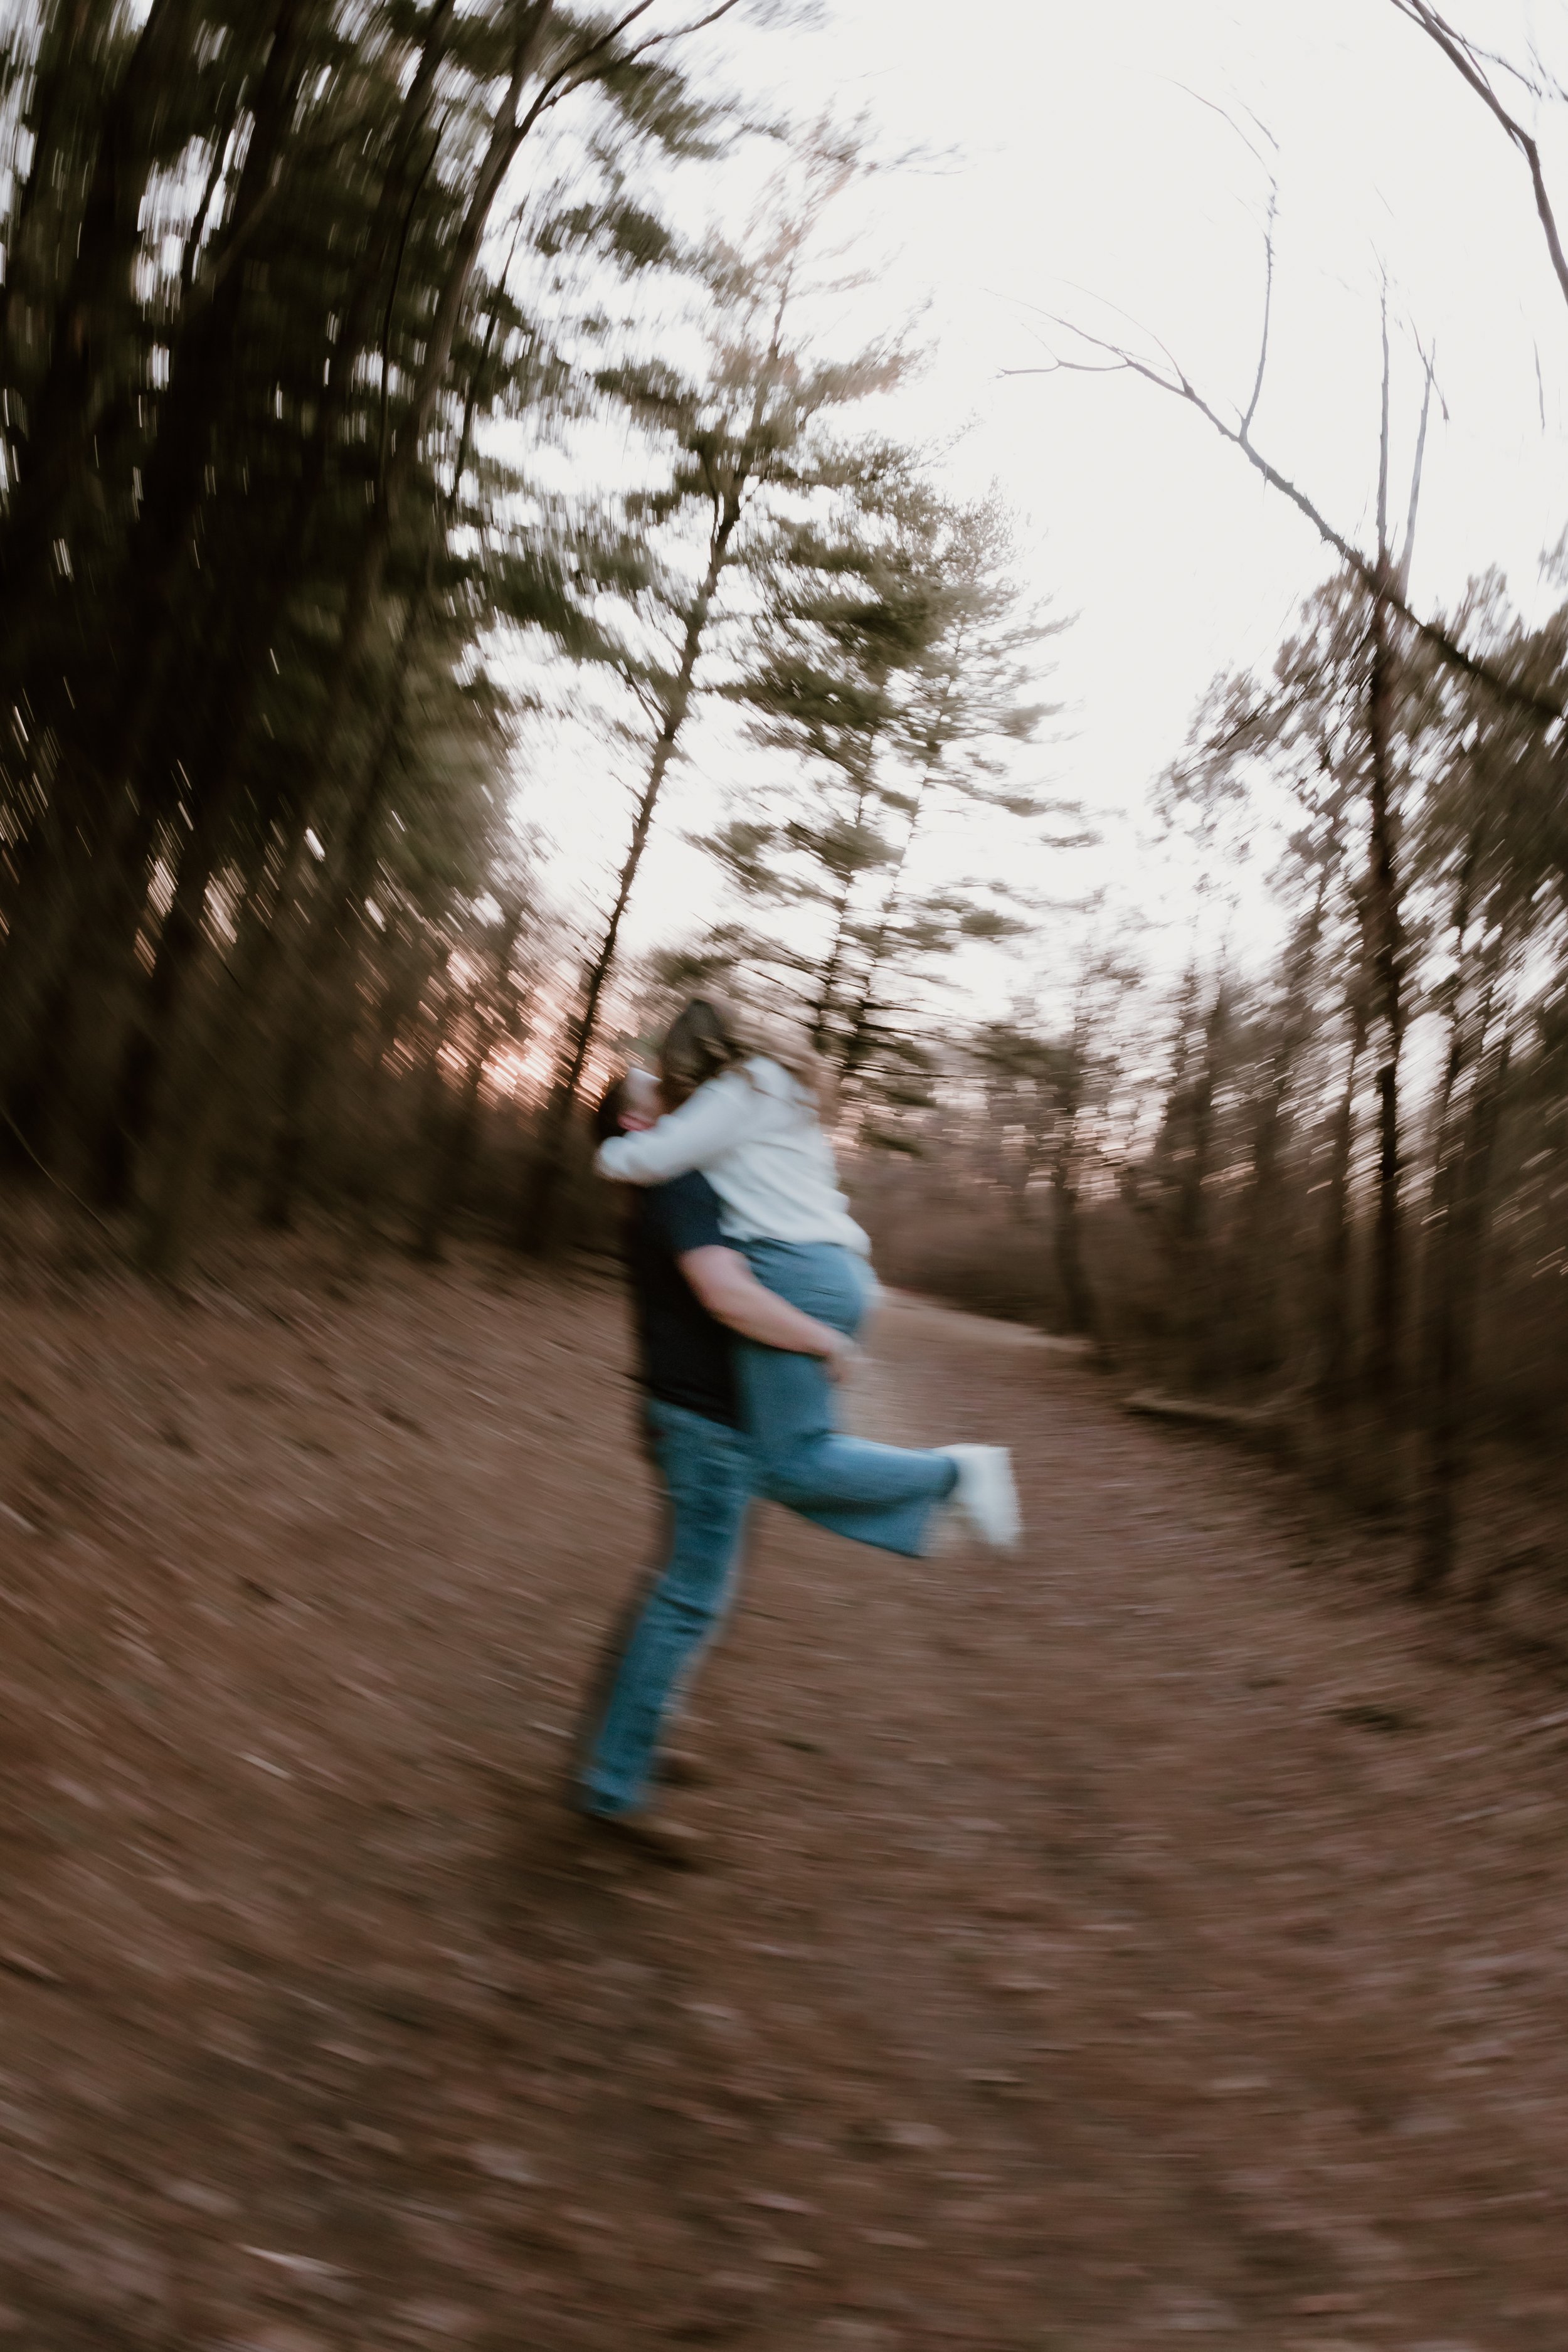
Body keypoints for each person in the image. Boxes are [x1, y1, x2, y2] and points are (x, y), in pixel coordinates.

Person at [595, 997, 1020, 1557]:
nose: (666, 1084)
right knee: (781, 1459)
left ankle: (951, 1477)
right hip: (828, 1268)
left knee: (791, 1462)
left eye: (666, 1070)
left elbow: (654, 1158)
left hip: (795, 1269)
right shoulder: (779, 1089)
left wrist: (608, 1154)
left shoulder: (740, 1090)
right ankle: (928, 1515)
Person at [575, 1069, 856, 1861]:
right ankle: (615, 1784)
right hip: (704, 1424)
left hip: (697, 1416)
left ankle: (631, 1737)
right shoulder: (679, 1181)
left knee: (684, 1591)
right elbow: (726, 1294)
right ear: (637, 1123)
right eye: (656, 1088)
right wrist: (822, 1338)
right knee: (687, 1600)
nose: (679, 1088)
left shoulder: (679, 1175)